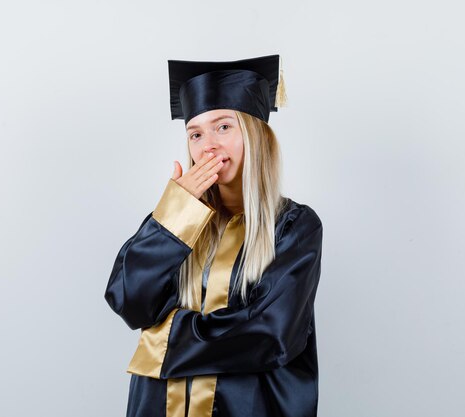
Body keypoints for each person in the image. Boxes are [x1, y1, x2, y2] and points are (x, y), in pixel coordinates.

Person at [104, 54, 323, 417]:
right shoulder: (176, 220)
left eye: (223, 127)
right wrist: (175, 215)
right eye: (195, 133)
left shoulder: (293, 226)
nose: (208, 145)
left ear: (255, 135)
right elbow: (130, 300)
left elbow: (269, 334)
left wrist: (162, 341)